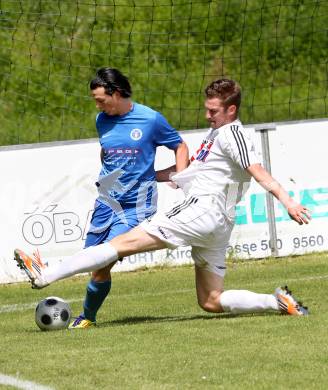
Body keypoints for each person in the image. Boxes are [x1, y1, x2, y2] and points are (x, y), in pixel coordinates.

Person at [14, 78, 311, 322]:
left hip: (200, 211)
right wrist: (146, 176)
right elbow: (191, 171)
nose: (207, 115)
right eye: (207, 109)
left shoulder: (232, 135)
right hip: (218, 223)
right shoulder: (217, 133)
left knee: (119, 245)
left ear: (231, 110)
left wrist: (289, 203)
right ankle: (277, 303)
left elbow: (259, 173)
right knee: (210, 300)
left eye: (214, 111)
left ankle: (45, 273)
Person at [42, 68, 189, 329]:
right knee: (91, 258)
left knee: (102, 260)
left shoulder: (150, 119)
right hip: (106, 202)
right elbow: (107, 152)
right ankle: (86, 315)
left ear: (117, 93)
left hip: (137, 205)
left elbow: (179, 145)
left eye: (101, 99)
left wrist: (182, 175)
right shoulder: (102, 120)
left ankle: (87, 318)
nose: (97, 105)